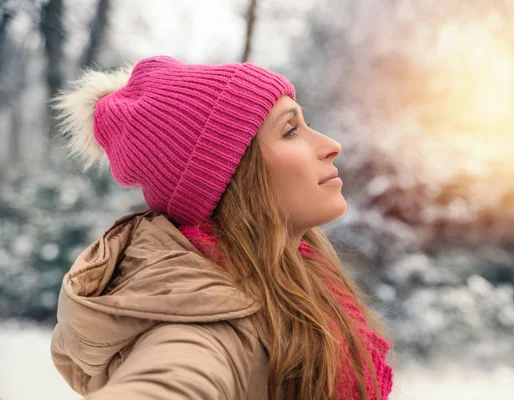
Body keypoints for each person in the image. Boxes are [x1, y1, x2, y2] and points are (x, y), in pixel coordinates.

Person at [50, 55, 394, 400]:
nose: (331, 145)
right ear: (230, 176)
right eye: (290, 130)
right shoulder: (205, 323)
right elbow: (173, 379)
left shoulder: (295, 282)